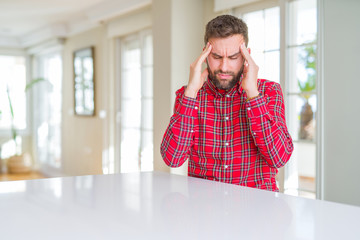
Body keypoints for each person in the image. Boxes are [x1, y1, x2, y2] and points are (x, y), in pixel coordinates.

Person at [160, 15, 294, 192]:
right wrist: (191, 92)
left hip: (259, 210)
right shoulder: (187, 96)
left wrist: (253, 95)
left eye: (233, 57)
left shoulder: (269, 92)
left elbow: (279, 157)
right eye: (216, 56)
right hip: (204, 210)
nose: (224, 67)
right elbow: (173, 159)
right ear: (205, 55)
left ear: (246, 56)